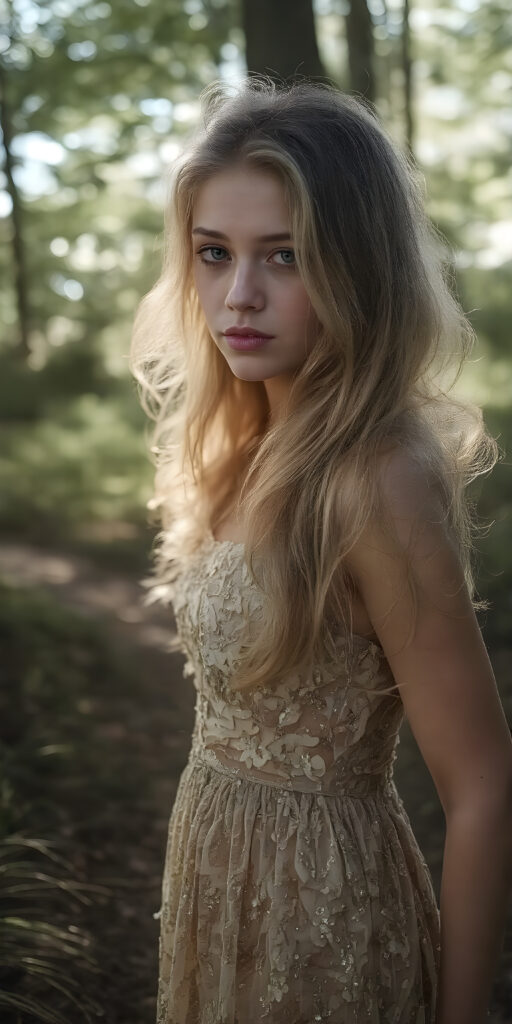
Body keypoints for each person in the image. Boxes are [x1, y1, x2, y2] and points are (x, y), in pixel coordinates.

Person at [129, 76, 512, 1024]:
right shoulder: (242, 442)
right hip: (221, 891)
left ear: (358, 266)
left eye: (286, 257)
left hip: (324, 921)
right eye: (214, 254)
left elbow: (483, 787)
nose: (239, 296)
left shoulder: (375, 479)